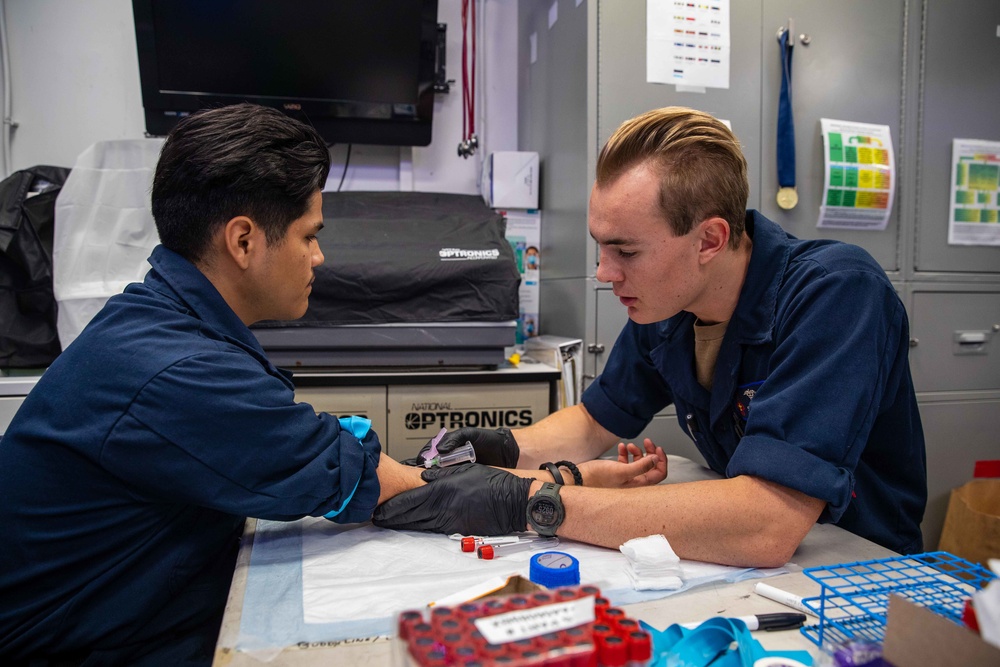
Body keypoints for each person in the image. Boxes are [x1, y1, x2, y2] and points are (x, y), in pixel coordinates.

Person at [374, 106, 927, 566]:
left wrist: (533, 499)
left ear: (710, 239)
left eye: (626, 251)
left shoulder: (837, 294)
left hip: (857, 567)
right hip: (746, 563)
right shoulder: (670, 304)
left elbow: (767, 522)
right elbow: (595, 422)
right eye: (601, 246)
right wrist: (499, 448)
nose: (603, 273)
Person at [0, 103, 429, 665]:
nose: (319, 257)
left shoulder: (161, 321)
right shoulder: (176, 369)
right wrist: (536, 493)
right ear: (244, 241)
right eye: (309, 235)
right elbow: (352, 473)